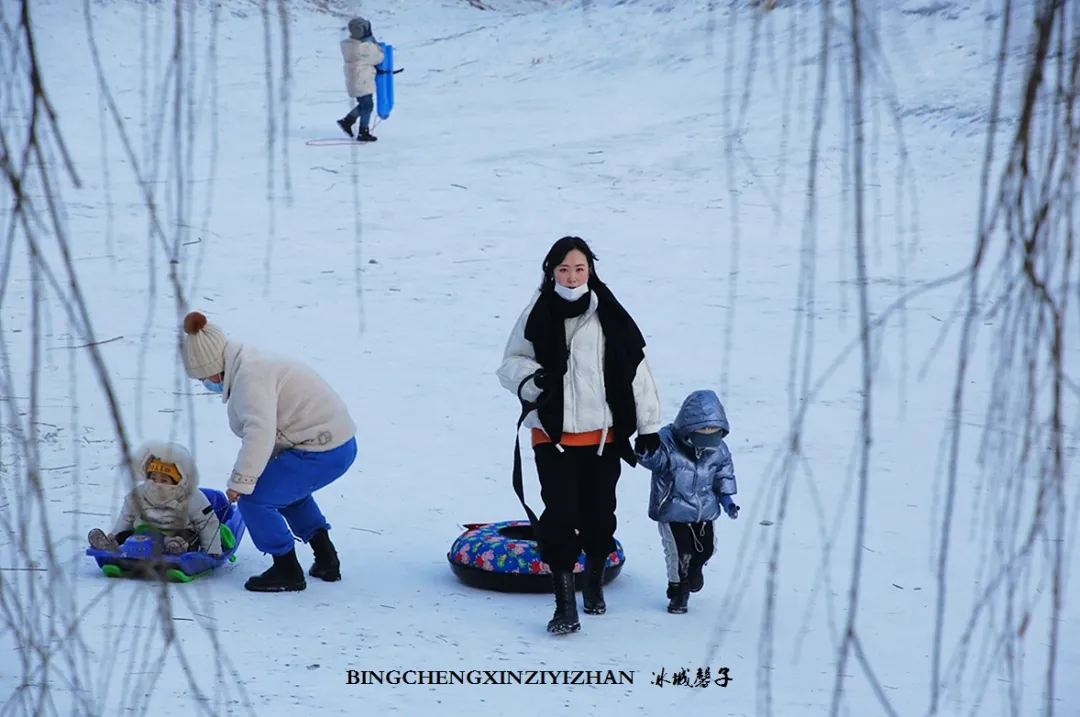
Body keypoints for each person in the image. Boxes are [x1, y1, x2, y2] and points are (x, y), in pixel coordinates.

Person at [497, 236, 663, 635]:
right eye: (564, 269)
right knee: (559, 517)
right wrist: (533, 381)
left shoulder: (611, 314)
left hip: (603, 438)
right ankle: (565, 605)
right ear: (551, 271)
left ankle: (592, 584)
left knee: (599, 516)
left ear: (590, 270)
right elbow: (509, 364)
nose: (571, 277)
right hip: (552, 436)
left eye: (579, 269)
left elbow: (636, 371)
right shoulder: (535, 313)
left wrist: (650, 427)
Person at [179, 311, 358, 593]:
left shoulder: (250, 379)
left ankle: (286, 569)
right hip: (334, 442)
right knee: (286, 496)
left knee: (256, 500)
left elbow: (259, 433)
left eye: (204, 376)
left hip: (324, 448)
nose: (206, 383)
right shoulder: (248, 364)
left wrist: (241, 482)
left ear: (214, 366)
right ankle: (326, 558)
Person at [636, 389, 739, 614]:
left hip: (704, 510)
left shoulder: (718, 449)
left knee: (707, 549)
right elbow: (654, 460)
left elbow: (723, 475)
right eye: (703, 432)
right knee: (678, 552)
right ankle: (677, 592)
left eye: (713, 432)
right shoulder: (668, 442)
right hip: (672, 507)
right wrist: (645, 448)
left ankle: (695, 569)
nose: (708, 437)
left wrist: (727, 500)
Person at [88, 440, 222, 558]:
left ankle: (175, 548)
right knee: (128, 534)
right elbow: (126, 517)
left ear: (179, 480)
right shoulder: (139, 493)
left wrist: (212, 549)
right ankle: (111, 544)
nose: (157, 484)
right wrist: (117, 534)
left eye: (164, 480)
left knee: (187, 535)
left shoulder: (191, 496)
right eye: (153, 478)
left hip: (177, 534)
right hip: (143, 535)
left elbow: (207, 522)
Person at [336, 16, 385, 142]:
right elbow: (379, 58)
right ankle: (362, 130)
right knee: (367, 105)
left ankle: (348, 121)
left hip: (355, 78)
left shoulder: (348, 44)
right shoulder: (364, 48)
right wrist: (374, 43)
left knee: (365, 104)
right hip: (362, 79)